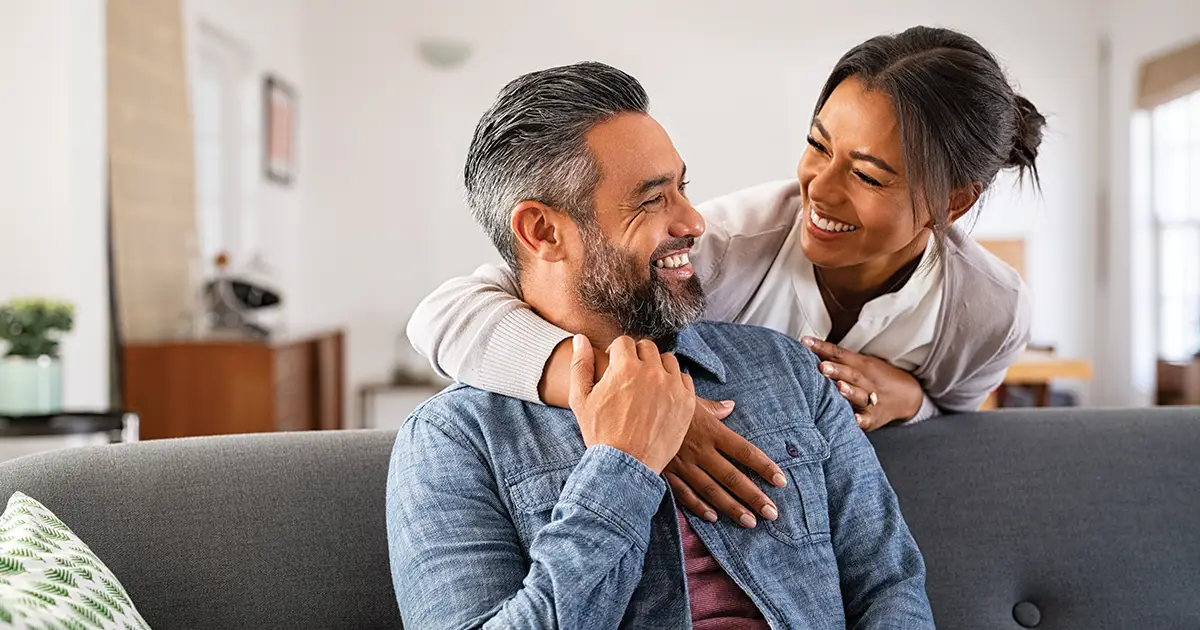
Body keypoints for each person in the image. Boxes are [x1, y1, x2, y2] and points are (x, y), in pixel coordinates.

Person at [406, 25, 1042, 528]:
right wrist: (637, 402)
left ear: (952, 202)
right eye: (818, 145)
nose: (818, 188)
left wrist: (913, 401)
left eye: (868, 175)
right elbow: (446, 314)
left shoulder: (989, 311)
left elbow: (958, 423)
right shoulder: (723, 246)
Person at [387, 62, 933, 629]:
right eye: (652, 200)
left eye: (683, 187)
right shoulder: (453, 441)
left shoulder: (789, 370)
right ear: (543, 232)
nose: (694, 220)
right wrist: (620, 468)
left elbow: (889, 585)